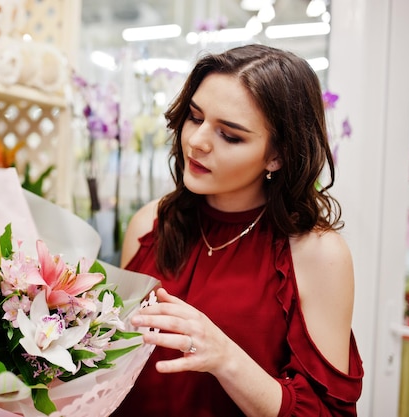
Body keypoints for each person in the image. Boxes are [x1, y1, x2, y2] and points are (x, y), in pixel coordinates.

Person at [112, 44, 364, 416]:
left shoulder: (318, 254)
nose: (196, 142)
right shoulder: (150, 224)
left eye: (230, 135)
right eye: (195, 118)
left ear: (277, 155)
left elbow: (327, 412)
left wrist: (226, 358)